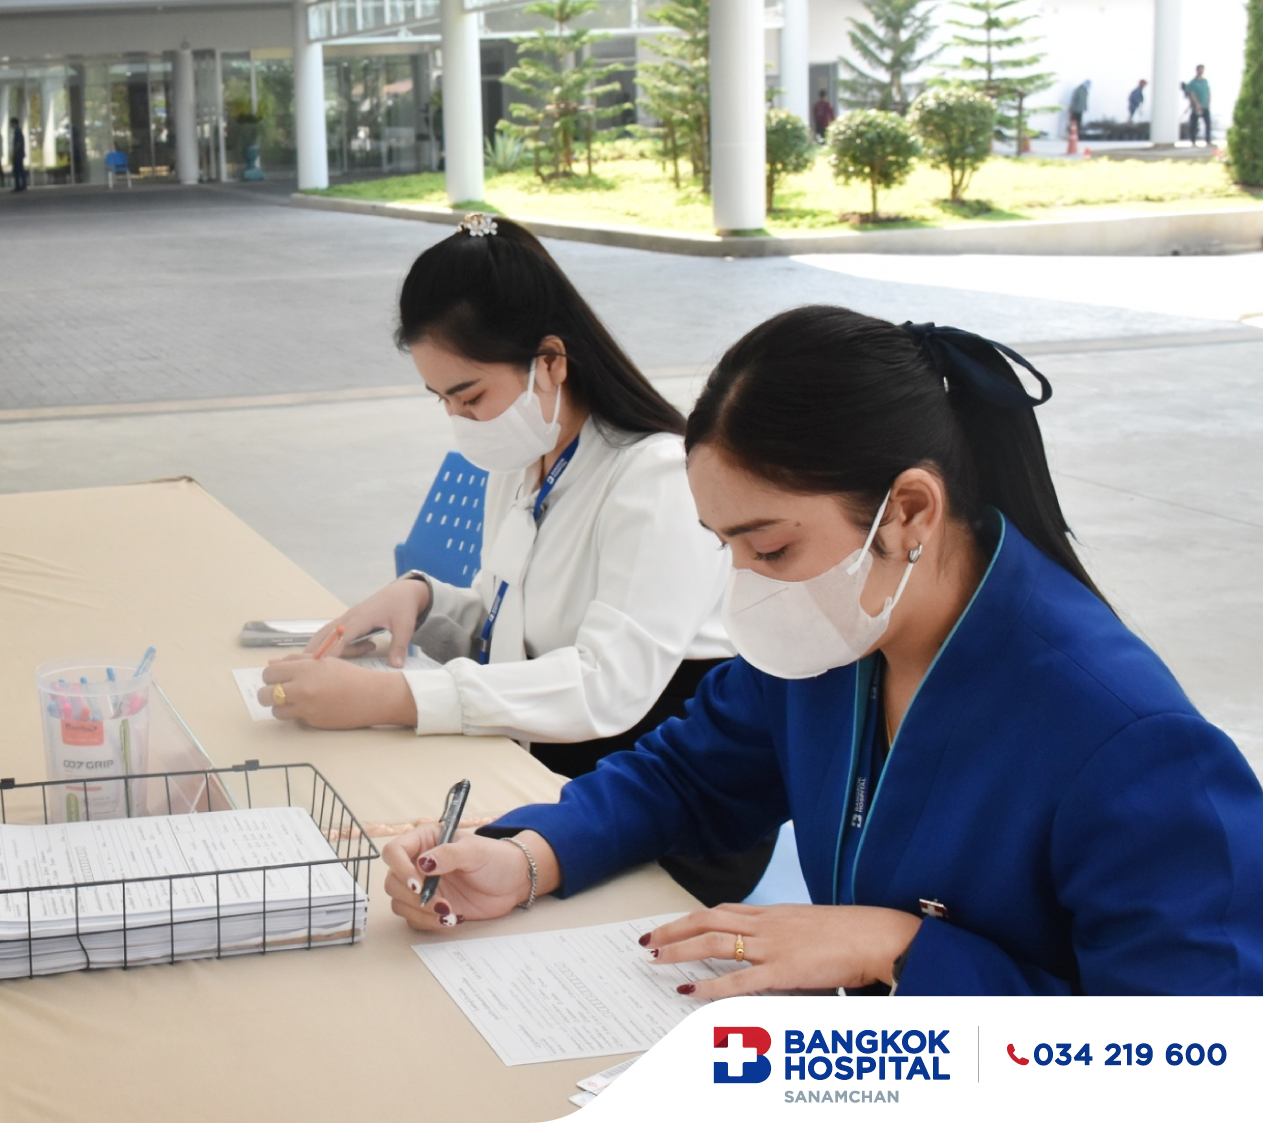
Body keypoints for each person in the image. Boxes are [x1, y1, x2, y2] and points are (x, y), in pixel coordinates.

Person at [381, 305, 1263, 995]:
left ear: (908, 512)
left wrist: (902, 949)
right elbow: (685, 778)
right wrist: (527, 857)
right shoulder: (839, 636)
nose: (747, 587)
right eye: (723, 545)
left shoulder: (1131, 745)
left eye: (769, 548)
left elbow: (1187, 1061)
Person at [261, 215, 766, 895]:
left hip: (658, 801)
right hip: (547, 764)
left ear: (550, 361)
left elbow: (604, 685)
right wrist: (424, 599)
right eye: (441, 399)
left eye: (469, 395)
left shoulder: (656, 477)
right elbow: (511, 616)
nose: (458, 419)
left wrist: (392, 696)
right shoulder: (524, 458)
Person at [1183, 65, 1212, 147]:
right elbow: (1192, 94)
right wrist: (1197, 104)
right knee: (1194, 124)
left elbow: (1208, 91)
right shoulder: (1193, 82)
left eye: (1202, 70)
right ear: (1197, 71)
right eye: (1200, 70)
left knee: (1208, 123)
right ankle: (1193, 141)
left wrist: (1209, 102)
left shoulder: (1205, 81)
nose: (1201, 72)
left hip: (1205, 106)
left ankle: (1208, 140)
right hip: (1196, 107)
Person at [9, 120, 28, 192]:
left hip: (18, 154)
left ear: (15, 124)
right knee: (20, 170)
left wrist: (14, 153)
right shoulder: (18, 132)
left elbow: (18, 144)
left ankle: (19, 186)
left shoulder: (17, 132)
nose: (11, 125)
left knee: (17, 170)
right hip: (20, 153)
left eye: (11, 124)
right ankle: (22, 185)